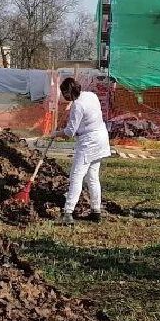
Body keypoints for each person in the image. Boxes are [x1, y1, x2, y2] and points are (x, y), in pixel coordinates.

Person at [48, 76, 111, 222]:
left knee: (76, 176)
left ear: (67, 93)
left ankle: (68, 212)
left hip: (89, 142)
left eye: (64, 94)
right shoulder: (91, 95)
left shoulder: (77, 106)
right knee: (93, 177)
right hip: (101, 137)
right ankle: (96, 212)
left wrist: (57, 133)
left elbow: (70, 132)